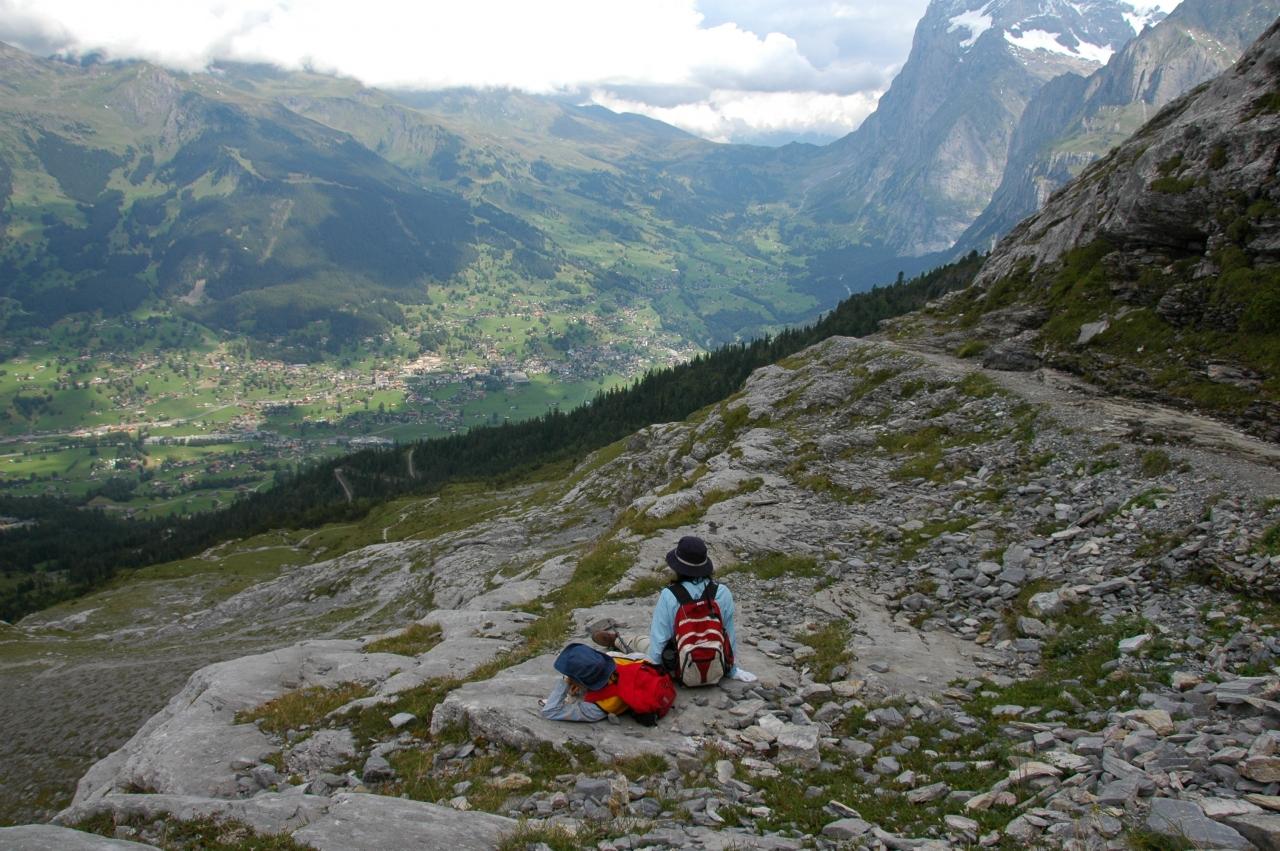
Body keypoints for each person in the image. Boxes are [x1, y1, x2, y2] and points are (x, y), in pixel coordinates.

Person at [593, 535, 757, 683]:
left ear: (678, 567)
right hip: (717, 666)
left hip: (678, 669)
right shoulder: (722, 592)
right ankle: (617, 640)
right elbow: (729, 633)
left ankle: (617, 640)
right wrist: (731, 669)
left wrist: (655, 670)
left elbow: (660, 639)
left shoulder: (669, 595)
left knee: (642, 642)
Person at [539, 642, 675, 723]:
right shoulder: (613, 660)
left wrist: (566, 682)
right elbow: (646, 659)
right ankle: (616, 641)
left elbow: (550, 711)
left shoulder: (597, 708)